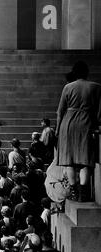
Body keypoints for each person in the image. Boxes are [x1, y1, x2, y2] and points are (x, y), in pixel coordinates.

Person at [56, 61, 101, 202]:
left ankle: (74, 192)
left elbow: (60, 111)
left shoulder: (68, 87)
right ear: (87, 72)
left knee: (69, 161)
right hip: (86, 124)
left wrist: (58, 129)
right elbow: (100, 111)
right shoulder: (96, 87)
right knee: (85, 161)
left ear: (74, 73)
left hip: (68, 125)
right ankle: (84, 194)